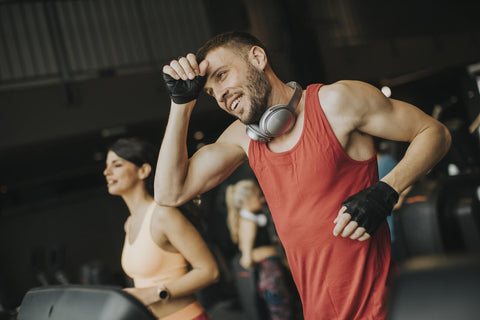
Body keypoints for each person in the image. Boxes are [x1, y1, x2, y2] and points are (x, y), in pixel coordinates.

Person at [154, 31, 451, 319]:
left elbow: (435, 132)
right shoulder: (243, 139)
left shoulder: (336, 103)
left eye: (221, 76)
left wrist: (386, 190)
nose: (219, 94)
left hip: (378, 309)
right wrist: (181, 105)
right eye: (209, 92)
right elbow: (170, 193)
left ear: (257, 57)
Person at [103, 137, 219, 320]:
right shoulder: (130, 223)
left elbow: (210, 271)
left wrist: (152, 293)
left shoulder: (163, 215)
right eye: (107, 166)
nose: (106, 172)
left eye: (116, 165)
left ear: (143, 171)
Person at [226, 179, 295, 320]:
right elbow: (247, 259)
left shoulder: (251, 220)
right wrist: (273, 251)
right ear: (246, 200)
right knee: (282, 313)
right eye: (258, 196)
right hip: (270, 276)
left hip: (269, 274)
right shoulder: (249, 222)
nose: (262, 199)